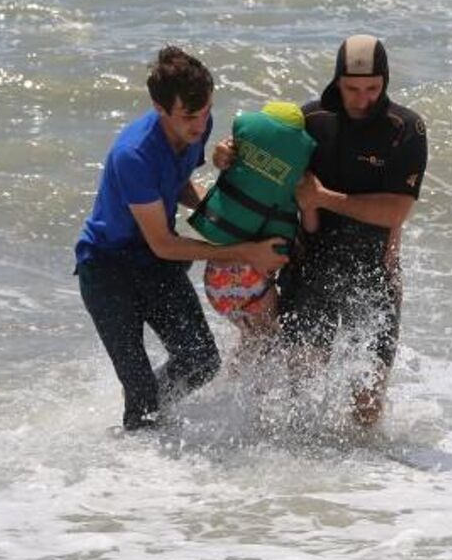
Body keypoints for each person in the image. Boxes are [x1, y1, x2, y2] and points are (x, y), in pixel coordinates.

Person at [74, 46, 287, 431]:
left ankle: (151, 421)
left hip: (154, 265)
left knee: (201, 360)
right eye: (189, 116)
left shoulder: (198, 122)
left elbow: (177, 179)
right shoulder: (133, 155)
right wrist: (245, 251)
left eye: (206, 111)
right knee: (141, 393)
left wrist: (217, 213)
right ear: (160, 108)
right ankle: (136, 464)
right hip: (108, 273)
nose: (200, 124)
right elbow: (165, 243)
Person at [277, 34, 427, 426]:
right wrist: (228, 153)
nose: (363, 99)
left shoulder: (406, 129)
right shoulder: (309, 121)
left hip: (374, 272)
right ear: (337, 81)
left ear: (386, 82)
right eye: (352, 89)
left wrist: (325, 198)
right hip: (311, 268)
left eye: (373, 89)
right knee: (298, 392)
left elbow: (396, 210)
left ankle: (368, 486)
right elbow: (258, 154)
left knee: (368, 398)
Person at [188, 101, 316, 354]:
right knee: (268, 345)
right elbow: (310, 225)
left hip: (217, 281)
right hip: (253, 279)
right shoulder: (298, 176)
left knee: (252, 342)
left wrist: (219, 155)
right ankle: (246, 394)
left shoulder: (235, 154)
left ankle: (227, 391)